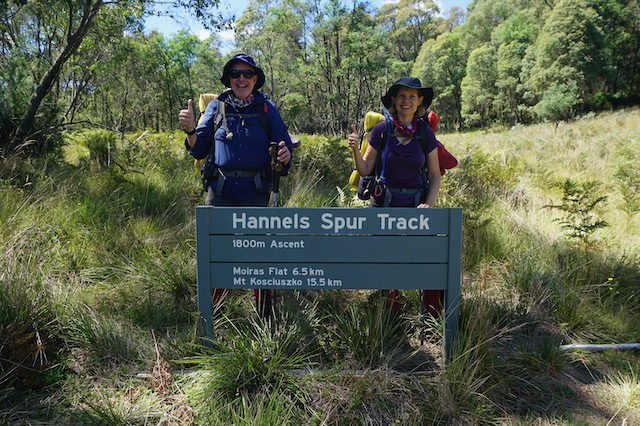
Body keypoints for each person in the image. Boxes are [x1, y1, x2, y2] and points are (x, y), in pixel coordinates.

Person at [179, 52, 293, 317]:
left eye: (247, 74)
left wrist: (285, 154)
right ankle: (214, 313)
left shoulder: (267, 109)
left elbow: (284, 149)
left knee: (260, 256)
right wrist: (189, 132)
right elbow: (200, 149)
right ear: (229, 79)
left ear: (255, 79)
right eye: (235, 74)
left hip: (255, 193)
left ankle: (264, 314)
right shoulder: (216, 107)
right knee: (218, 255)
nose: (241, 79)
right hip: (220, 193)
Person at [347, 76, 441, 312]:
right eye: (401, 96)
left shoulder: (424, 133)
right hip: (384, 205)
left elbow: (435, 174)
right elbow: (365, 169)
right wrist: (355, 150)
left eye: (412, 96)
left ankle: (431, 315)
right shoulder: (381, 130)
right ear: (393, 100)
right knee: (385, 259)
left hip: (416, 206)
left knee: (428, 259)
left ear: (420, 101)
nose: (406, 101)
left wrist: (429, 204)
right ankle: (391, 312)